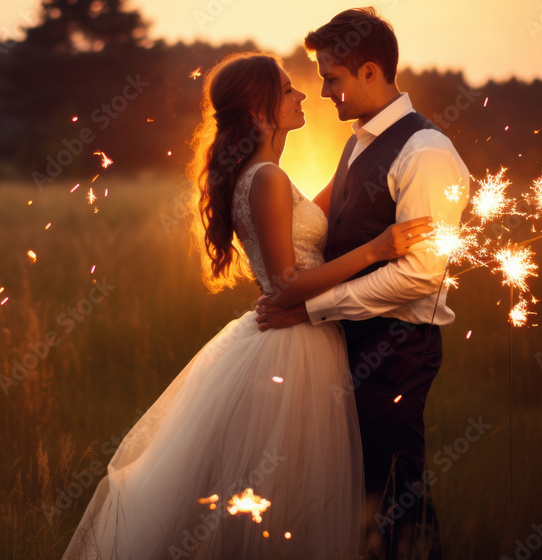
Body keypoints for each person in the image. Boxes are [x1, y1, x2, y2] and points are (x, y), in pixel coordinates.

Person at [62, 51, 433, 560]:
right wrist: (377, 249)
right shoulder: (267, 179)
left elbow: (319, 211)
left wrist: (362, 145)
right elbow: (286, 283)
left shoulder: (266, 177)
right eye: (286, 89)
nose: (302, 94)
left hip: (291, 339)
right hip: (295, 346)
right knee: (293, 486)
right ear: (260, 111)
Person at [256, 8, 470, 560]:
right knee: (359, 493)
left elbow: (421, 273)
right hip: (353, 339)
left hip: (399, 346)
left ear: (370, 71)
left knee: (396, 489)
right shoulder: (358, 140)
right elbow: (324, 219)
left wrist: (313, 308)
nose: (323, 90)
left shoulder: (426, 153)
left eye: (331, 77)